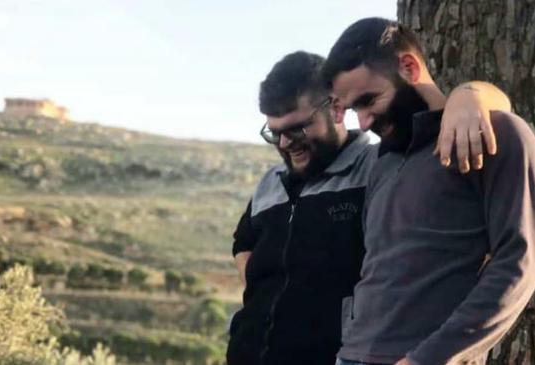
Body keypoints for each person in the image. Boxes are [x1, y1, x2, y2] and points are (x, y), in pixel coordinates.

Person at [227, 51, 511, 365]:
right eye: (275, 133)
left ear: (336, 108)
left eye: (297, 129)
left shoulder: (382, 166)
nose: (284, 144)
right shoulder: (271, 181)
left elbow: (487, 107)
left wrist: (469, 94)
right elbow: (244, 242)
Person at [321, 17, 535, 365]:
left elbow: (519, 265)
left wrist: (430, 358)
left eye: (369, 100)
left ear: (408, 67)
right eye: (353, 109)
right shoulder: (382, 163)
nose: (363, 122)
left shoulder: (497, 134)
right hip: (352, 355)